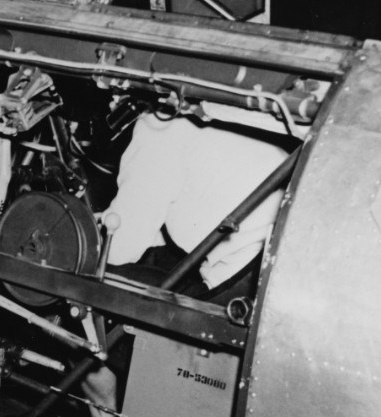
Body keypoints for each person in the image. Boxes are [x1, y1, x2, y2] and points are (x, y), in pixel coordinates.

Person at [102, 112, 290, 298]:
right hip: (284, 255)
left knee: (100, 274)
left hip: (243, 282)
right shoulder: (208, 110)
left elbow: (120, 249)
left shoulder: (159, 123)